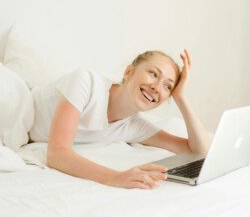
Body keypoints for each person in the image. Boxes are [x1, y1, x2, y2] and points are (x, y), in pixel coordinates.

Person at [29, 49, 212, 189]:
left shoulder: (134, 126)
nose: (157, 87)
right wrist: (115, 177)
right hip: (16, 113)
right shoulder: (86, 82)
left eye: (167, 86)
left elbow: (199, 150)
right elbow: (57, 155)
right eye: (153, 74)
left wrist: (181, 99)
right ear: (128, 72)